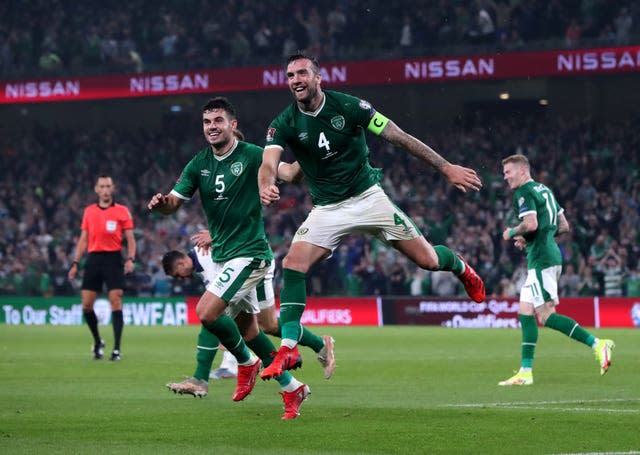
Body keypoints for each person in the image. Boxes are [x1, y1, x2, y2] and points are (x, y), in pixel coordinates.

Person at [258, 53, 486, 380]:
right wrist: (267, 183)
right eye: (290, 75)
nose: (296, 79)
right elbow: (269, 163)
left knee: (429, 261)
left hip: (369, 199)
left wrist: (445, 167)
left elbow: (399, 136)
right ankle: (289, 345)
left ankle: (461, 267)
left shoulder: (351, 107)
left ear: (318, 77)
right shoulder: (283, 123)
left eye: (302, 73)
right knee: (293, 265)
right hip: (327, 209)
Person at [148, 96, 315, 419]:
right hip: (225, 256)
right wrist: (162, 203)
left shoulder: (253, 154)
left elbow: (291, 174)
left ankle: (247, 362)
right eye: (207, 122)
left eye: (218, 121)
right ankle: (292, 387)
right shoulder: (199, 164)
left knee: (207, 313)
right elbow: (174, 203)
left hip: (250, 254)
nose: (212, 127)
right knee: (253, 332)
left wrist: (310, 151)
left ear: (232, 125)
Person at [498, 154, 614, 386]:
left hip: (542, 260)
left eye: (508, 172)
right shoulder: (544, 190)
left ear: (522, 171)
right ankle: (525, 372)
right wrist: (529, 239)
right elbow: (563, 226)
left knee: (546, 315)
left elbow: (531, 224)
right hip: (546, 255)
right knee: (525, 311)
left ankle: (598, 344)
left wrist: (512, 232)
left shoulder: (523, 193)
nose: (505, 177)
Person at [162, 241, 335, 396]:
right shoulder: (201, 262)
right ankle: (309, 358)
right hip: (249, 265)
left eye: (178, 274)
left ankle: (202, 378)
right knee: (262, 327)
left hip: (256, 264)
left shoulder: (205, 257)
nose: (181, 279)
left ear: (181, 262)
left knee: (213, 315)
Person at [68, 175, 136, 361]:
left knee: (116, 299)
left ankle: (116, 349)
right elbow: (83, 239)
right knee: (87, 305)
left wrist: (130, 258)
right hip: (94, 259)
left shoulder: (122, 211)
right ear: (96, 189)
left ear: (113, 189)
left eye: (108, 186)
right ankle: (98, 341)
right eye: (102, 186)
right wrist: (75, 262)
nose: (105, 190)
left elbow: (130, 238)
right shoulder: (89, 211)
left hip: (113, 259)